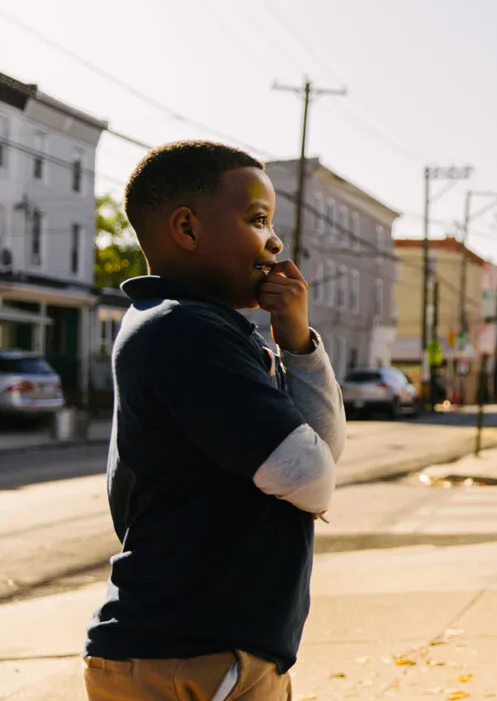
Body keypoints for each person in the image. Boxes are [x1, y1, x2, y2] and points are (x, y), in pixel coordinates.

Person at [83, 140, 346, 700]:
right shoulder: (182, 331)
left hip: (206, 649)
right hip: (186, 656)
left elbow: (322, 456)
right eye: (257, 219)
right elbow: (312, 477)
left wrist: (297, 342)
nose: (275, 241)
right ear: (187, 227)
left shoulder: (202, 328)